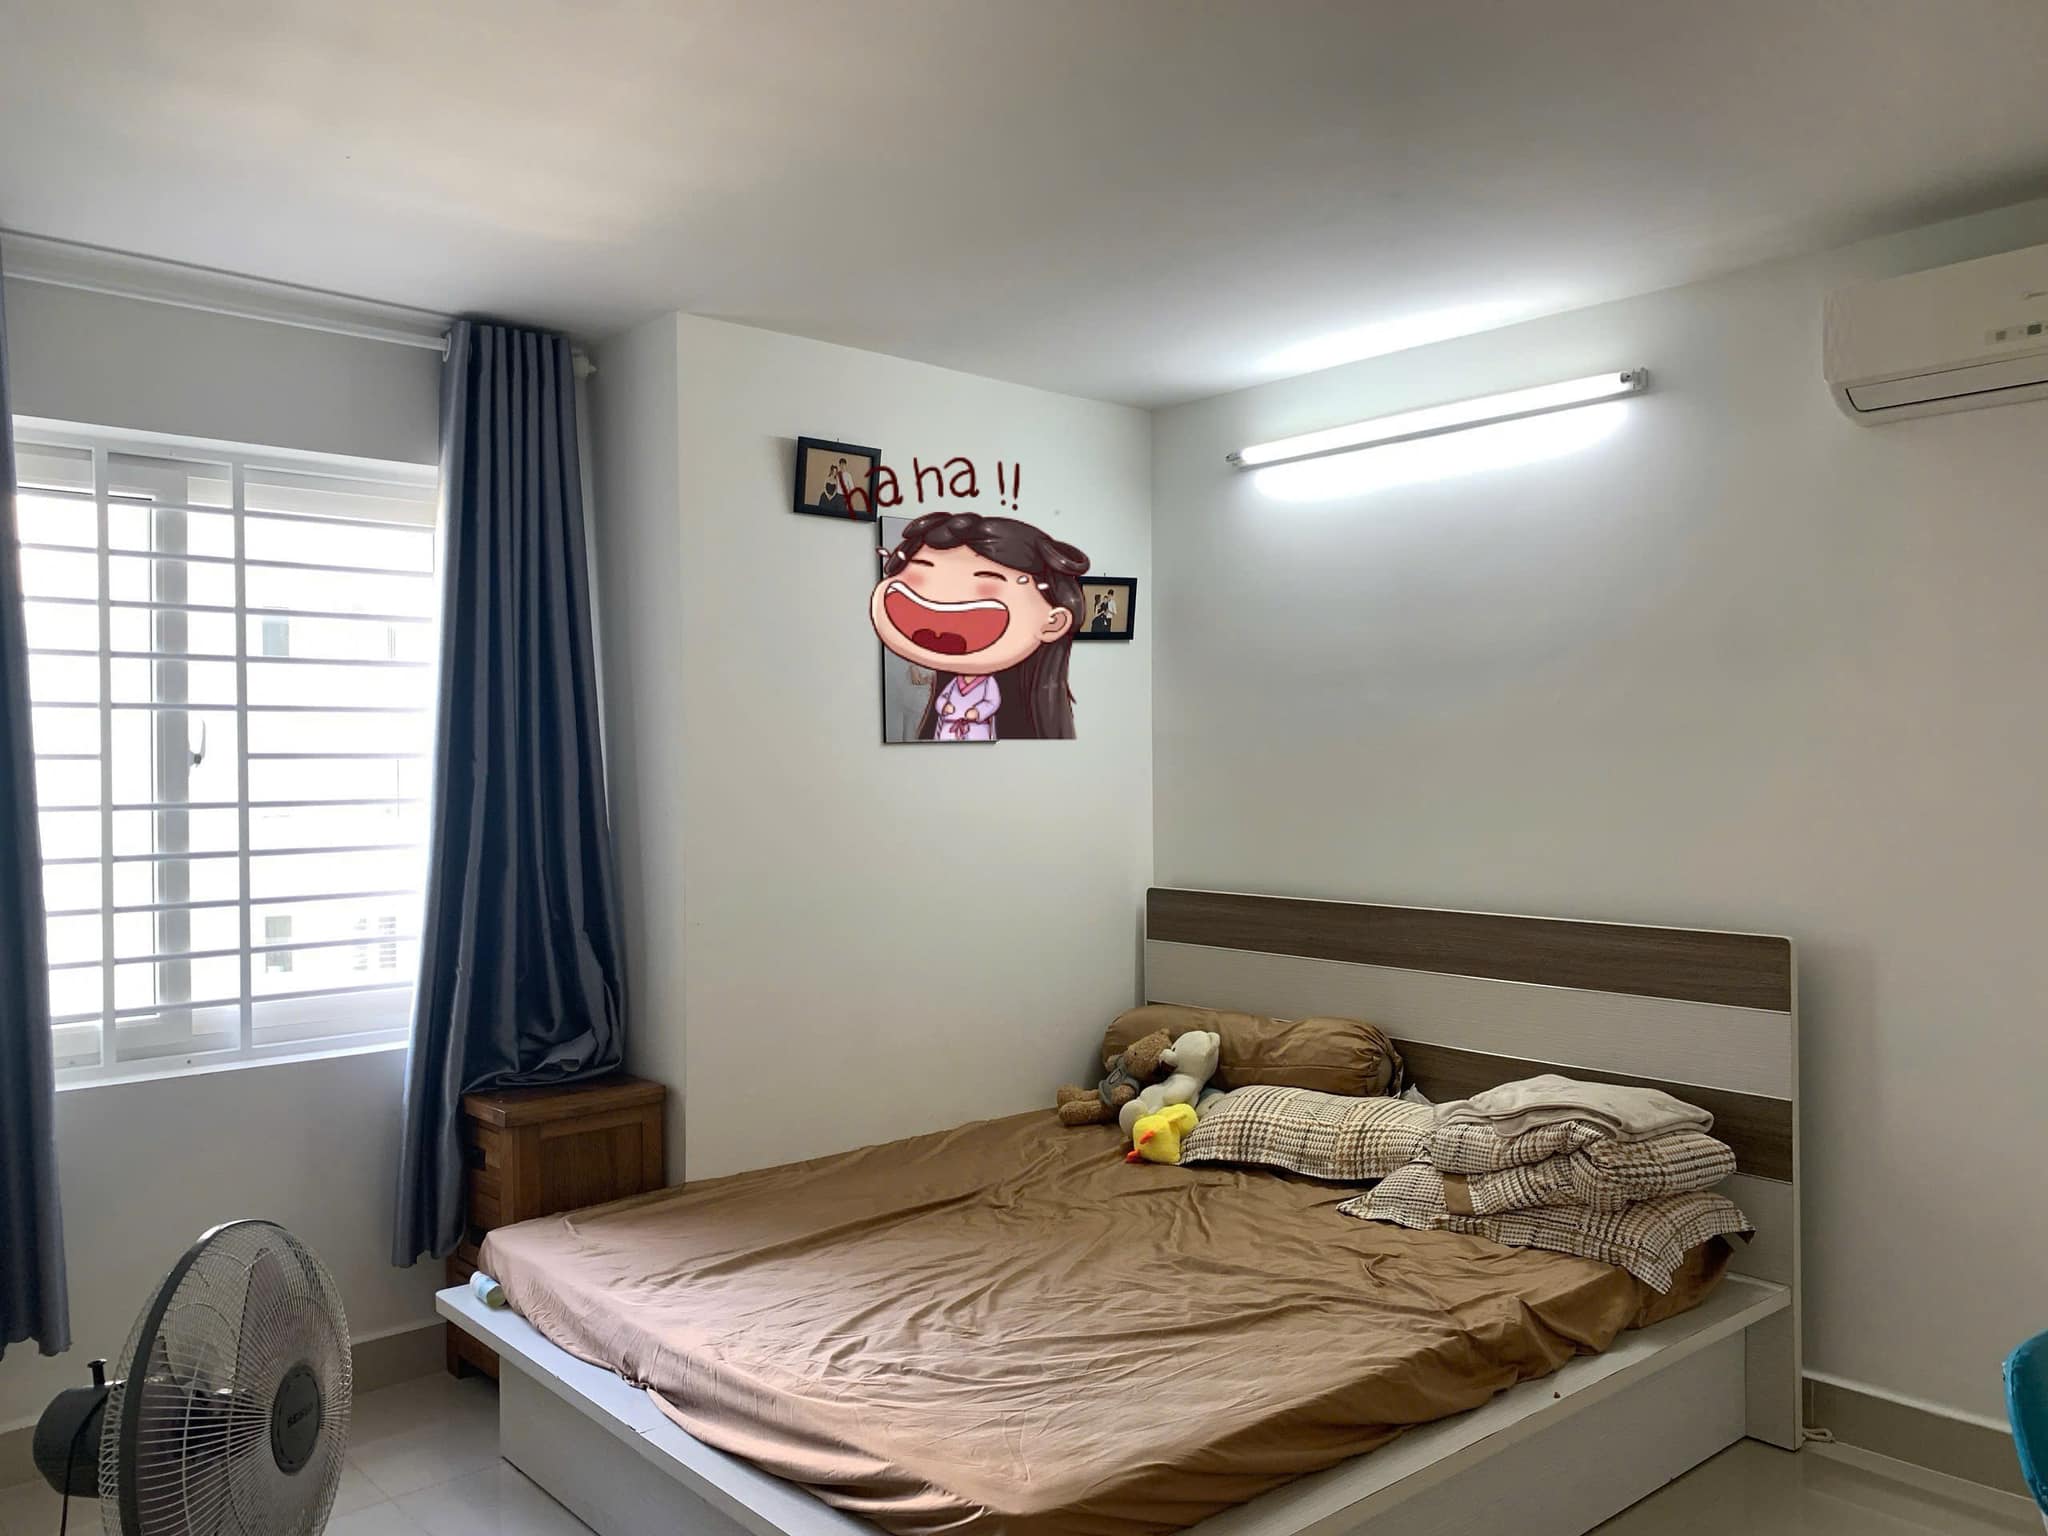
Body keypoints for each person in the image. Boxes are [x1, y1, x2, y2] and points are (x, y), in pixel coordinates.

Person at [869, 511, 1089, 739]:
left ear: (1053, 622)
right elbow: (943, 698)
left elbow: (991, 702)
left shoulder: (992, 689)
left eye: (986, 579)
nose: (943, 598)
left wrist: (975, 713)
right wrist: (945, 707)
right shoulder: (951, 684)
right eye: (922, 568)